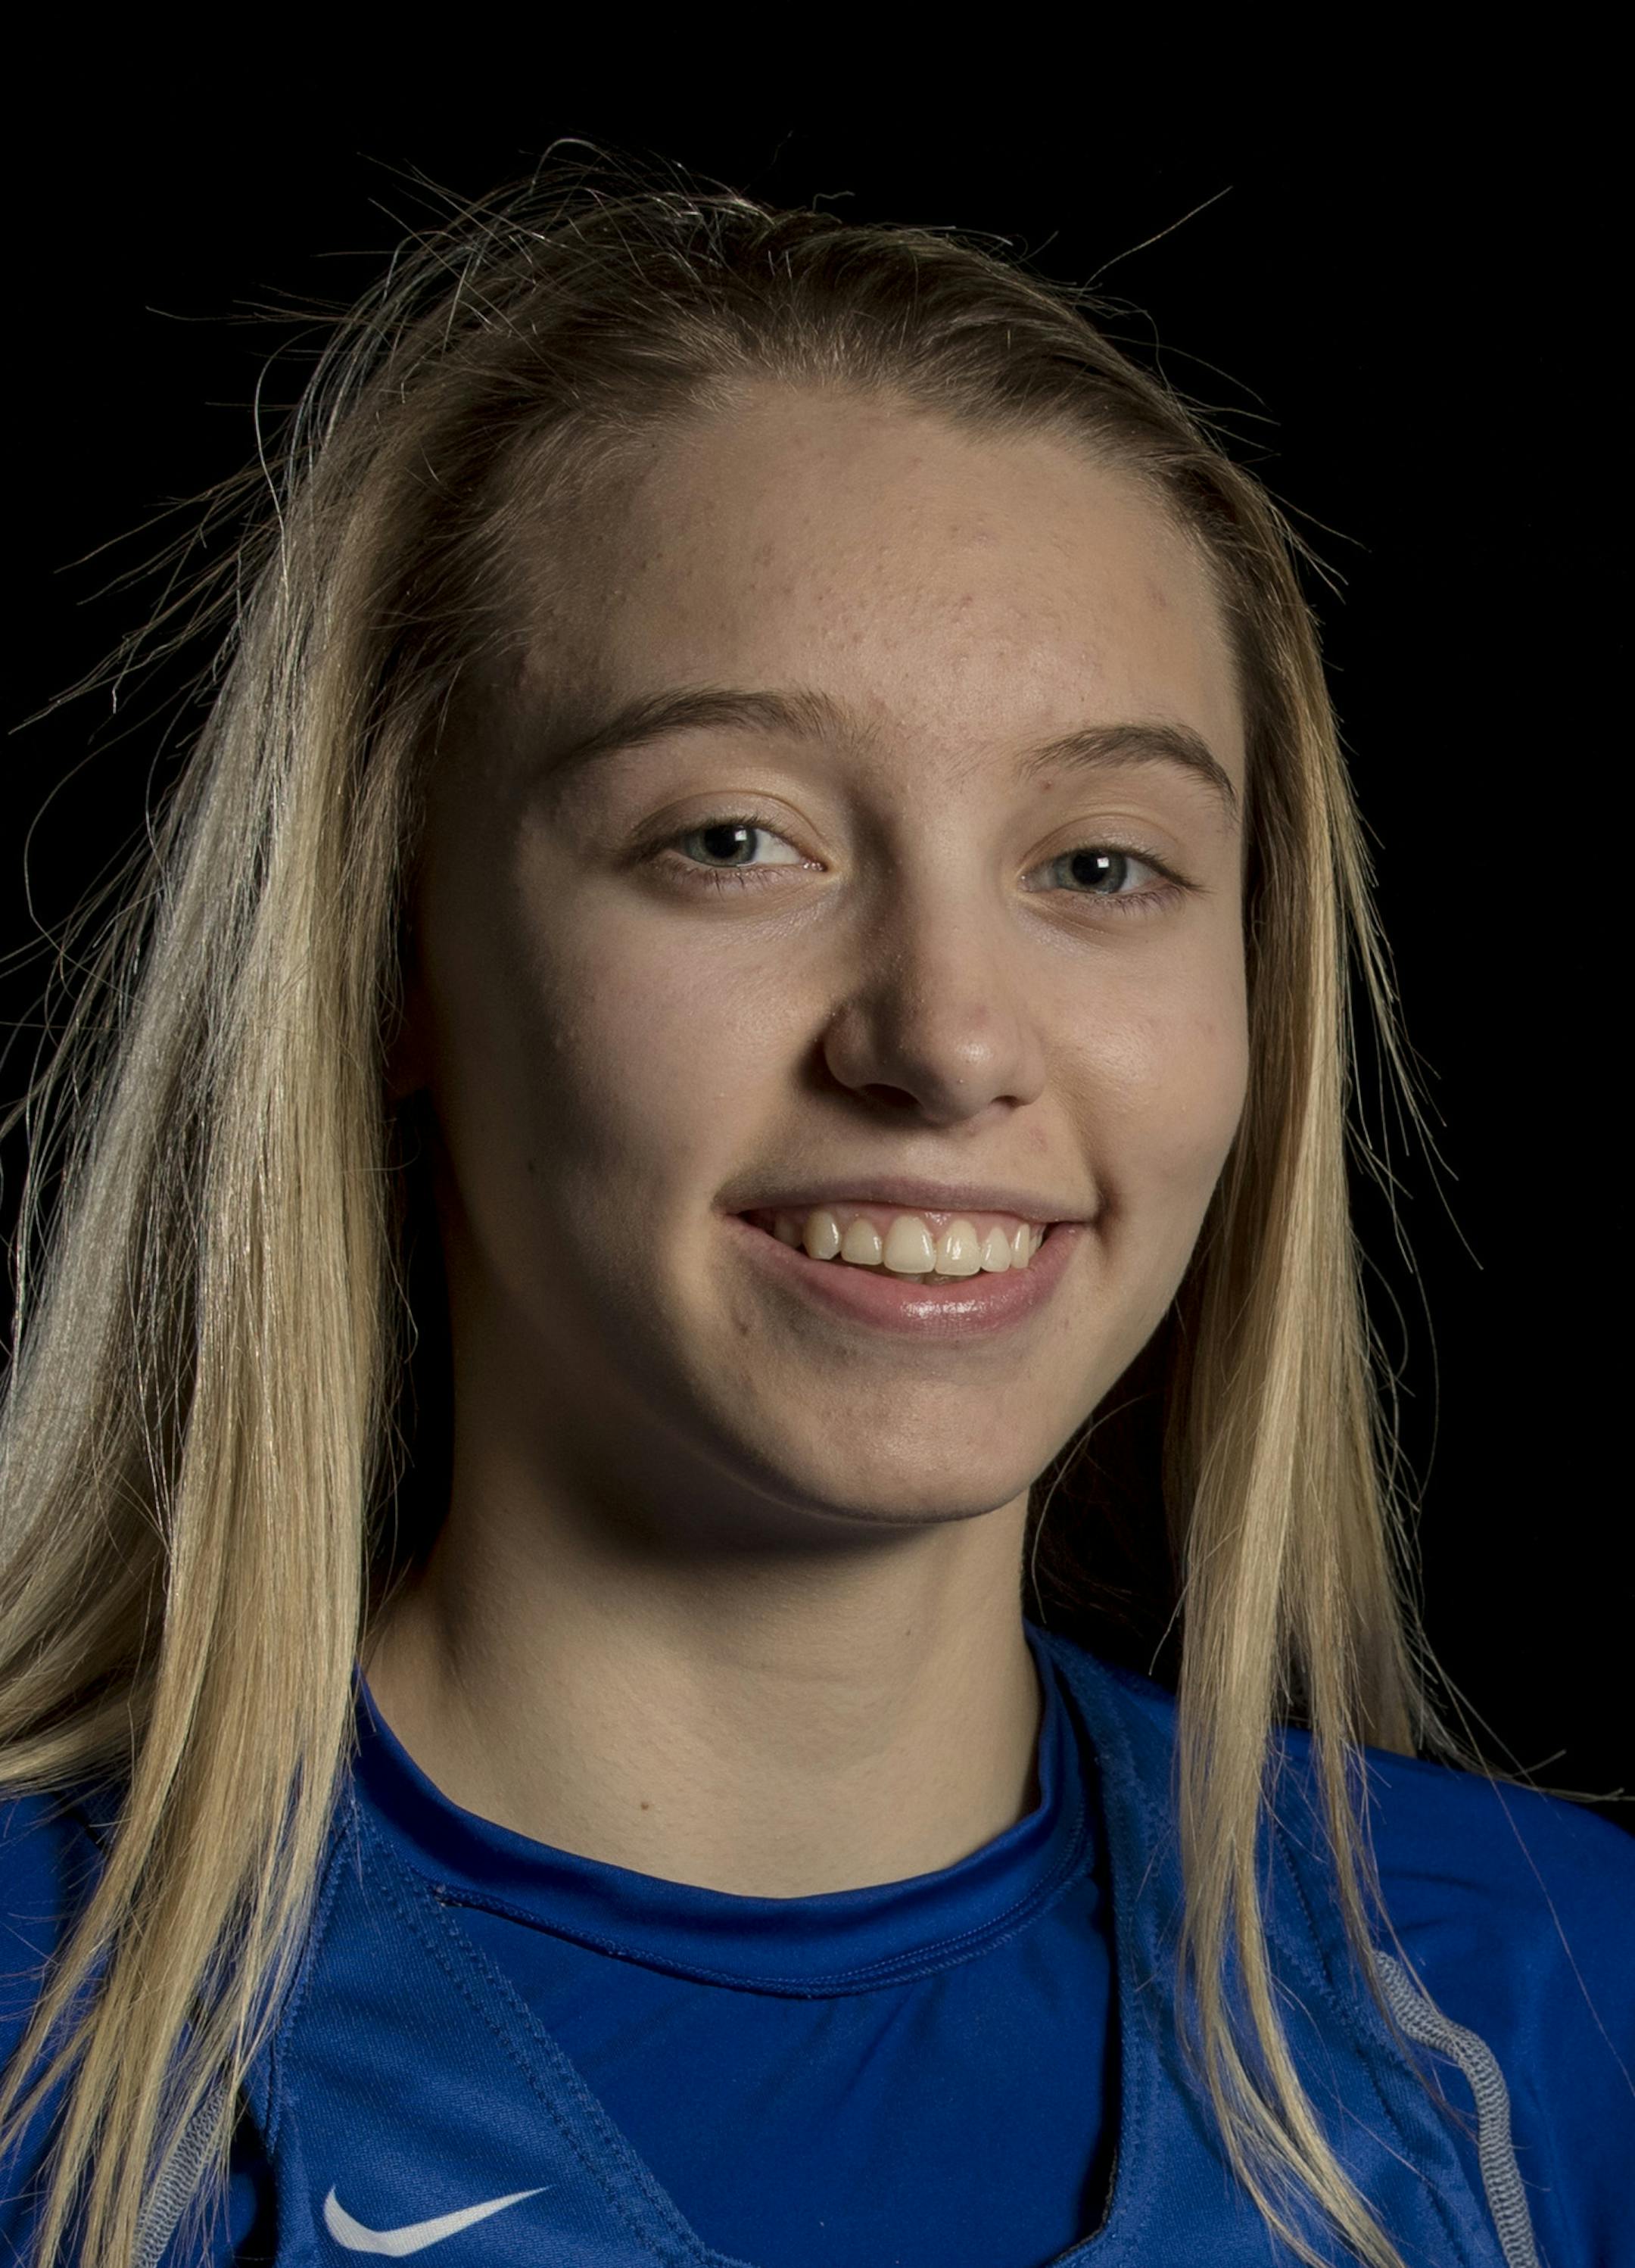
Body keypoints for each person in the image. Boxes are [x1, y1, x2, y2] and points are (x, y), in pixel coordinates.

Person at [1, 147, 1629, 2268]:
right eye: (736, 839)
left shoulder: (1548, 2014)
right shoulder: (45, 2051)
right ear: (392, 955)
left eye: (1101, 864)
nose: (946, 1039)